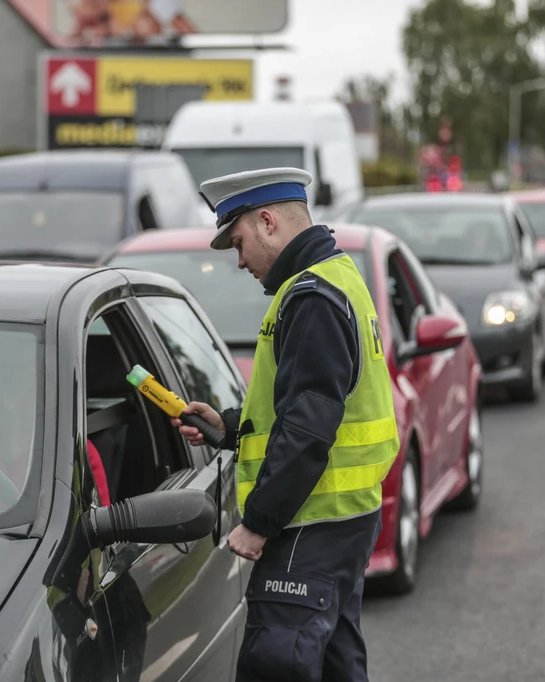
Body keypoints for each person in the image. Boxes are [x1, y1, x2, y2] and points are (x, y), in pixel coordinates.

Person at [171, 167, 400, 682]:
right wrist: (230, 427)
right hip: (342, 520)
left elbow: (308, 427)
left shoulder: (312, 295)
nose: (239, 260)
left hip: (308, 524)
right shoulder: (334, 278)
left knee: (277, 664)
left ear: (268, 222)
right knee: (338, 665)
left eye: (238, 242)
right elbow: (304, 408)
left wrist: (259, 522)